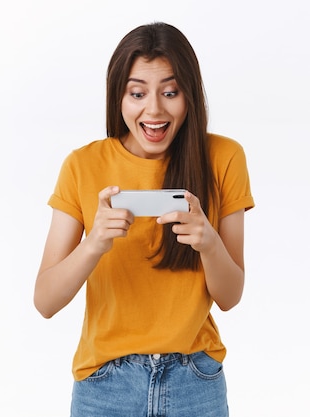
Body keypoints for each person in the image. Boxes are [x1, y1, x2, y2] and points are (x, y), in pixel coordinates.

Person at [33, 22, 254, 417]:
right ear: (118, 96)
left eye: (170, 92)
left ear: (189, 94)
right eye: (137, 93)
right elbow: (45, 301)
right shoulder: (83, 165)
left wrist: (208, 243)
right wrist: (94, 244)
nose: (154, 110)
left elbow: (230, 296)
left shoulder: (224, 158)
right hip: (105, 386)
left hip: (195, 381)